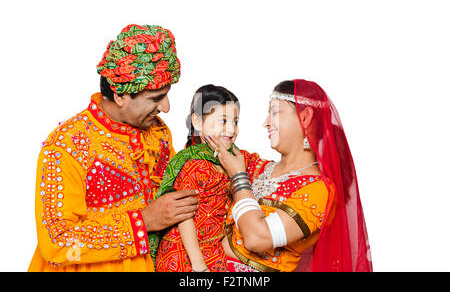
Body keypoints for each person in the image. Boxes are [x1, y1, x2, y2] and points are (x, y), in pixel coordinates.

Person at [28, 24, 199, 272]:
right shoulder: (67, 145)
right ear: (120, 95)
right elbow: (57, 242)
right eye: (155, 98)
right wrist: (144, 222)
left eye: (166, 94)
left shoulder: (159, 134)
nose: (166, 107)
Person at [206, 79, 372, 272]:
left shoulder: (319, 190)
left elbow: (257, 239)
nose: (266, 122)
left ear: (305, 118)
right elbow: (208, 150)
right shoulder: (255, 166)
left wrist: (239, 178)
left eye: (275, 112)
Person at [153, 84, 259, 272]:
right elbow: (184, 217)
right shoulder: (195, 164)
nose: (231, 129)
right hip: (184, 254)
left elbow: (263, 166)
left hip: (213, 251)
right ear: (198, 122)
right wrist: (199, 265)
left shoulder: (233, 158)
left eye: (235, 122)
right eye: (223, 121)